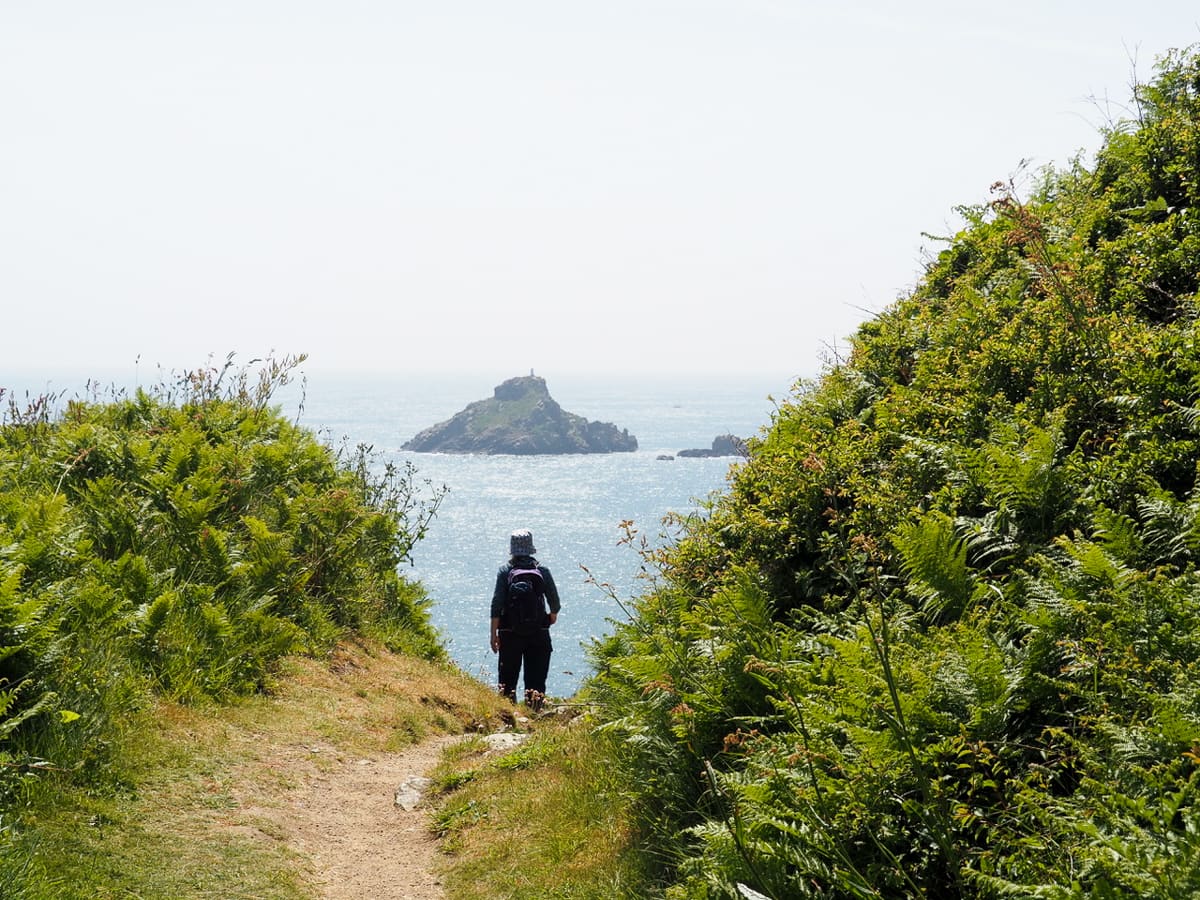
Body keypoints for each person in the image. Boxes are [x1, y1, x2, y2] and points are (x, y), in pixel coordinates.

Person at [490, 529, 560, 708]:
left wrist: (493, 634)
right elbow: (555, 602)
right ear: (531, 548)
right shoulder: (542, 570)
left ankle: (508, 720)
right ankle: (535, 719)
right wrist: (550, 618)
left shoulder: (505, 571)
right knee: (536, 683)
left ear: (512, 549)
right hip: (539, 632)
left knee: (507, 683)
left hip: (509, 633)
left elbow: (497, 604)